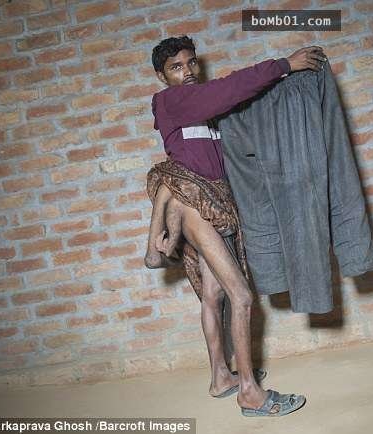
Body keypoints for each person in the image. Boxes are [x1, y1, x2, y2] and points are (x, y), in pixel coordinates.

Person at [144, 35, 325, 417]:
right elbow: (230, 88)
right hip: (194, 205)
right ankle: (249, 394)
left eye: (191, 62)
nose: (187, 71)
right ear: (162, 76)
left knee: (214, 295)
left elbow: (235, 108)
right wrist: (284, 65)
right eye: (176, 67)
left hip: (217, 203)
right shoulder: (171, 101)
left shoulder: (206, 110)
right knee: (241, 296)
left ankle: (220, 377)